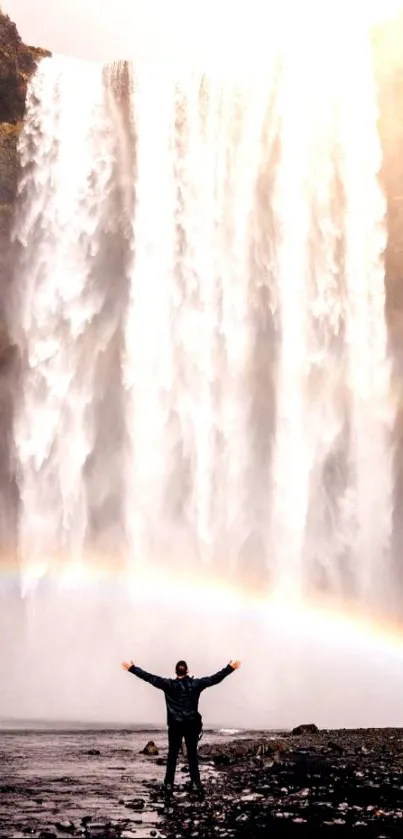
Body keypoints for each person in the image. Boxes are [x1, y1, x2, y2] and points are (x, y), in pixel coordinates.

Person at [121, 657, 241, 798]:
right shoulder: (196, 684)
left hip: (175, 725)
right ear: (187, 671)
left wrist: (132, 668)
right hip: (191, 725)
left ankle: (169, 784)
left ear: (175, 671)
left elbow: (149, 677)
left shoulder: (168, 684)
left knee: (172, 756)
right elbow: (214, 679)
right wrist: (230, 668)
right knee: (192, 756)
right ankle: (196, 784)